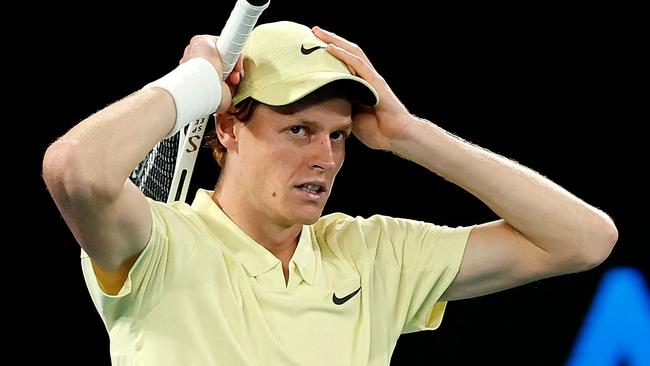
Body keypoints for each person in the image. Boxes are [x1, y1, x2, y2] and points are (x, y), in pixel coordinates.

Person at [42, 21, 618, 365]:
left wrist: (408, 133)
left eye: (339, 135)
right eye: (298, 130)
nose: (326, 157)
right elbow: (75, 170)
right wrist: (195, 81)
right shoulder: (156, 242)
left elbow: (583, 241)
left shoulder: (371, 255)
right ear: (227, 126)